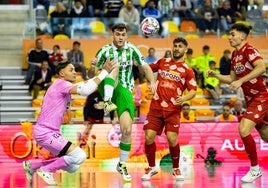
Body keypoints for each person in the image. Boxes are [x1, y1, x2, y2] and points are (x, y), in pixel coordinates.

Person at [22, 59, 117, 186]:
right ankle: (45, 170)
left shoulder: (64, 86)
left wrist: (97, 72)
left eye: (75, 70)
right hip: (45, 131)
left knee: (73, 167)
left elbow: (86, 84)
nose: (75, 73)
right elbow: (86, 89)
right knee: (79, 156)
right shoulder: (60, 84)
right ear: (61, 73)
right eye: (71, 70)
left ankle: (33, 165)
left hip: (50, 131)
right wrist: (105, 72)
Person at [92, 23, 155, 181]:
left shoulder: (132, 49)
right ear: (113, 35)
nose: (120, 37)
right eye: (117, 34)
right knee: (115, 66)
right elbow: (90, 74)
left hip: (124, 91)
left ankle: (121, 163)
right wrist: (92, 67)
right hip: (105, 84)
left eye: (123, 35)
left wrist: (153, 83)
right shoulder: (104, 51)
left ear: (126, 36)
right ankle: (107, 101)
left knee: (127, 130)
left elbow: (145, 67)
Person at [207, 23, 268, 183]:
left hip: (261, 96)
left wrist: (241, 80)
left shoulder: (249, 50)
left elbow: (261, 68)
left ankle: (255, 170)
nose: (229, 37)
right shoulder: (235, 54)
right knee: (265, 136)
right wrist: (216, 75)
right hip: (251, 100)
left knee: (243, 128)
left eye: (233, 34)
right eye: (229, 34)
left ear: (242, 35)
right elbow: (232, 79)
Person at [142, 37, 197, 181]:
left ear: (185, 50)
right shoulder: (162, 62)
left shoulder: (188, 70)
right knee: (148, 137)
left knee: (172, 139)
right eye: (175, 46)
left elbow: (193, 91)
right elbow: (146, 68)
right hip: (155, 107)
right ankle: (152, 166)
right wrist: (151, 80)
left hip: (173, 110)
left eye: (180, 46)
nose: (177, 48)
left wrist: (184, 99)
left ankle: (176, 168)